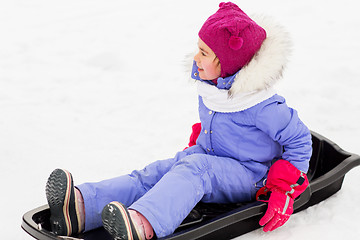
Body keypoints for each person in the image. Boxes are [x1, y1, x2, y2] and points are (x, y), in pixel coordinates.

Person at [45, 2, 312, 239]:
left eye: (204, 53)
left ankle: (145, 224)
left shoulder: (262, 105)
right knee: (158, 172)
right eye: (198, 48)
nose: (196, 57)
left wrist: (282, 190)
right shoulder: (214, 87)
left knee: (197, 168)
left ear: (228, 63)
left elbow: (300, 140)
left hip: (252, 174)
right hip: (213, 156)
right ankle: (82, 207)